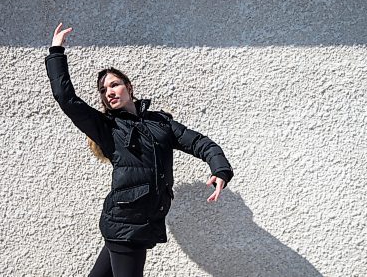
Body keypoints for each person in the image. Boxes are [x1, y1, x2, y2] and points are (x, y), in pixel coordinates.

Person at [45, 23, 234, 277]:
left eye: (114, 85)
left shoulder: (161, 123)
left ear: (129, 87)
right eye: (103, 90)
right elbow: (66, 98)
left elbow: (200, 143)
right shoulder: (108, 128)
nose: (109, 92)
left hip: (138, 224)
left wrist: (219, 169)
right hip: (126, 226)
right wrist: (56, 52)